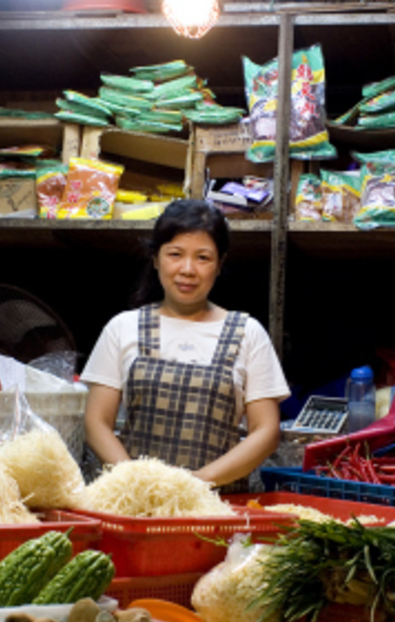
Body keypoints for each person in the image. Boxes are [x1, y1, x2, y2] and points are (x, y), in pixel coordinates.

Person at [81, 199, 289, 490]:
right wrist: (135, 483)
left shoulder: (248, 333)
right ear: (156, 258)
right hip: (135, 504)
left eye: (203, 257)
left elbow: (266, 432)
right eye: (175, 254)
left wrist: (194, 485)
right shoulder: (122, 328)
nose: (188, 269)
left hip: (218, 510)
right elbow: (95, 422)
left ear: (220, 264)